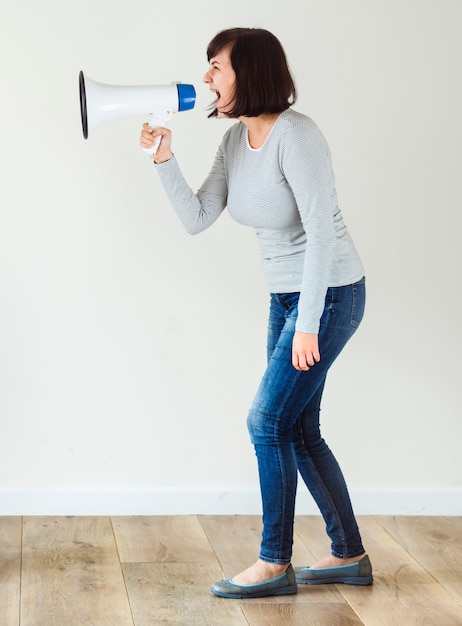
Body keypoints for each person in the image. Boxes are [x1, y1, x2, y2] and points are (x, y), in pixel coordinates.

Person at [140, 27, 373, 599]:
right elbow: (197, 218)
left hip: (332, 293)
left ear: (251, 73)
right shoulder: (232, 145)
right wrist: (164, 158)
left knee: (265, 422)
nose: (205, 79)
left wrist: (311, 322)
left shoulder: (298, 136)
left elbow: (320, 233)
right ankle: (349, 554)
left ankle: (274, 562)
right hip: (287, 296)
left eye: (216, 67)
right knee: (295, 427)